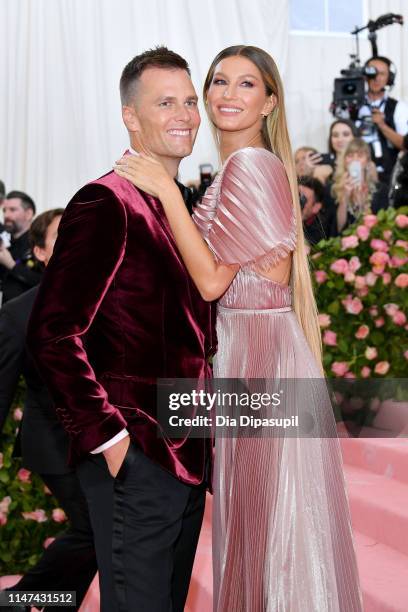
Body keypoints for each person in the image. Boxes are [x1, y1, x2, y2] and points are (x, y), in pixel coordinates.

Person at [115, 45, 363, 611]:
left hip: (257, 357)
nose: (229, 95)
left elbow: (209, 284)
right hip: (248, 352)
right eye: (220, 82)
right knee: (256, 523)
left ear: (270, 102)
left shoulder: (252, 166)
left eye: (247, 85)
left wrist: (164, 191)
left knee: (261, 523)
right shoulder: (235, 170)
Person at [27, 47, 215, 612]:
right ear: (130, 116)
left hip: (184, 449)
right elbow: (53, 333)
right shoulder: (106, 202)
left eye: (188, 100)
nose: (184, 113)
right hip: (137, 453)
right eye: (164, 102)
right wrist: (111, 440)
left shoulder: (171, 202)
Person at [0, 209, 97, 612]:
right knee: (94, 529)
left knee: (99, 533)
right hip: (54, 443)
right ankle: (17, 598)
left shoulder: (108, 299)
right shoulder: (18, 313)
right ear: (40, 252)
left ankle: (54, 603)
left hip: (104, 441)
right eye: (63, 235)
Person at [357, 56, 408, 185]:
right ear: (365, 75)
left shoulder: (399, 107)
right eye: (372, 72)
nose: (376, 78)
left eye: (382, 74)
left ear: (389, 78)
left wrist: (382, 125)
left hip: (390, 176)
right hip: (356, 173)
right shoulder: (353, 106)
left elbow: (405, 144)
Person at [327, 137, 389, 233]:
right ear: (344, 160)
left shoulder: (381, 189)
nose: (355, 160)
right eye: (350, 155)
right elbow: (337, 229)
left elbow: (383, 226)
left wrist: (362, 204)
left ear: (367, 161)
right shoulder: (333, 190)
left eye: (360, 155)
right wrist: (344, 198)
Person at [0, 191, 42, 304]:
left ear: (28, 214)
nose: (6, 215)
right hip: (7, 316)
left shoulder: (40, 244)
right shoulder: (5, 244)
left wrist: (11, 265)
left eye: (12, 210)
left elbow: (44, 282)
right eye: (4, 210)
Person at [299, 175, 335, 244]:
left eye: (303, 199)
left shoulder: (320, 232)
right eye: (297, 194)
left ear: (316, 207)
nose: (297, 202)